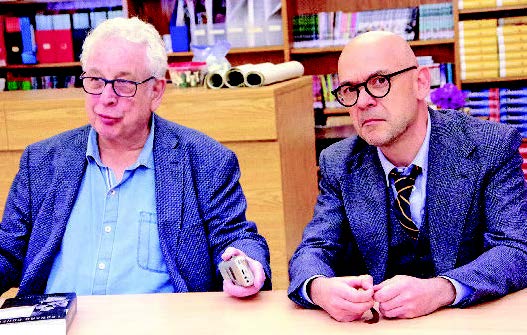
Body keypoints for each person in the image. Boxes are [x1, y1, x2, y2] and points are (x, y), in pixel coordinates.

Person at [0, 17, 271, 297]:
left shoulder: (205, 161)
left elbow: (235, 238)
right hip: (57, 323)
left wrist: (247, 263)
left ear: (156, 91)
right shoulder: (42, 161)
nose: (106, 97)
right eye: (94, 80)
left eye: (123, 84)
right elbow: (7, 251)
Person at [288, 31, 527, 322]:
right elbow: (315, 248)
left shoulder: (490, 146)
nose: (362, 102)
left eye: (379, 82)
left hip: (470, 322)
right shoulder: (339, 162)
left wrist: (441, 290)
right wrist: (319, 287)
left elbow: (515, 248)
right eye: (350, 89)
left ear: (421, 83)